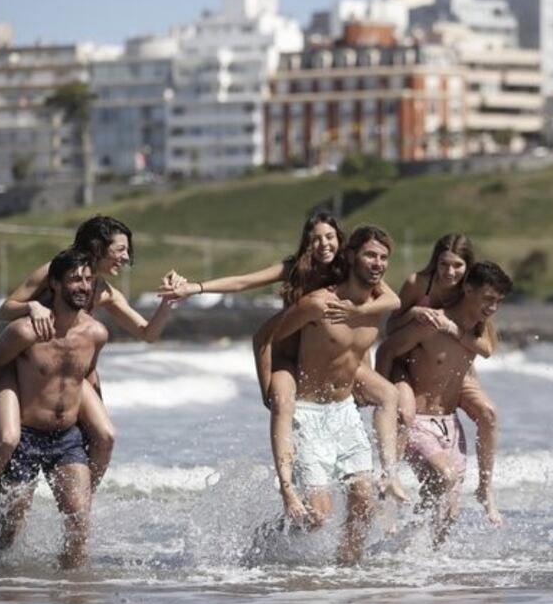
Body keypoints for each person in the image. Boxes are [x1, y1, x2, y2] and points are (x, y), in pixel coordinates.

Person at [158, 213, 405, 518]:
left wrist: (359, 310)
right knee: (284, 404)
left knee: (388, 395)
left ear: (342, 244)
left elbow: (392, 301)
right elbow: (244, 284)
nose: (323, 244)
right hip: (289, 353)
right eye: (315, 238)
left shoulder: (354, 270)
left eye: (329, 237)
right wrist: (194, 288)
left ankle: (390, 473)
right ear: (306, 243)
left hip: (334, 357)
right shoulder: (297, 272)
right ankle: (287, 488)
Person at [0, 216, 180, 533]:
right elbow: (5, 309)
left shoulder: (104, 292)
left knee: (106, 435)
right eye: (120, 249)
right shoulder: (54, 271)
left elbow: (147, 333)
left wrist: (168, 302)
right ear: (98, 246)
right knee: (9, 438)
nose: (126, 257)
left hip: (68, 372)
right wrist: (32, 308)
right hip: (25, 367)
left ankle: (79, 499)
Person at [260, 225, 401, 565]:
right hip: (308, 414)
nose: (378, 263)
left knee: (364, 504)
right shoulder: (318, 304)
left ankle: (345, 576)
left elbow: (393, 302)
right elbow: (269, 337)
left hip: (345, 412)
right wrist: (272, 389)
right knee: (318, 517)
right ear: (351, 256)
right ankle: (269, 539)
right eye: (370, 255)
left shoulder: (377, 305)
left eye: (383, 258)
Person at [0, 249, 108, 569]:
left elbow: (88, 376)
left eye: (88, 280)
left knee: (78, 521)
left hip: (67, 439)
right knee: (11, 528)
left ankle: (71, 591)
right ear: (55, 284)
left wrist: (98, 421)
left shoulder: (96, 334)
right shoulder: (25, 331)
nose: (83, 286)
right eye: (75, 279)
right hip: (26, 438)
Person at [376, 261, 513, 545]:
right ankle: (397, 546)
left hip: (450, 425)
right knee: (445, 476)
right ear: (468, 288)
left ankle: (415, 565)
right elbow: (388, 348)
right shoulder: (433, 322)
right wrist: (382, 396)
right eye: (488, 298)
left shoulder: (478, 329)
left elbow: (485, 352)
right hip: (420, 423)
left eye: (498, 301)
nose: (493, 307)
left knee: (446, 514)